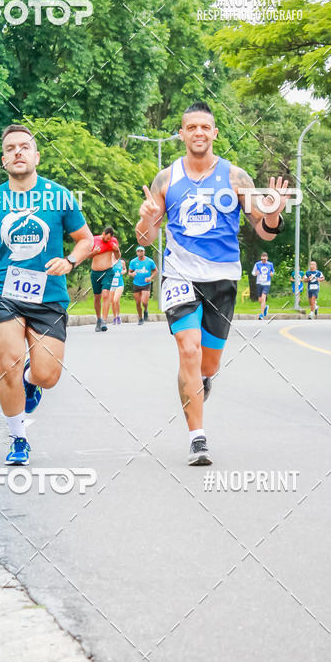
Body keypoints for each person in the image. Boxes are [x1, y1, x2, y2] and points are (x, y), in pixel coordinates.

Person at [135, 101, 289, 466]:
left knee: (207, 366)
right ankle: (197, 438)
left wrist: (275, 212)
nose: (199, 133)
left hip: (222, 276)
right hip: (179, 273)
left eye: (206, 127)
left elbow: (262, 232)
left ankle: (200, 383)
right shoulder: (166, 179)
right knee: (188, 350)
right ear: (182, 133)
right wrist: (146, 221)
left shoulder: (236, 177)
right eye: (192, 127)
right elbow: (144, 239)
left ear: (215, 133)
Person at [0, 124, 93, 465]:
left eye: (24, 147)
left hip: (49, 295)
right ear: (3, 160)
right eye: (11, 148)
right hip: (4, 292)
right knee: (9, 365)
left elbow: (86, 240)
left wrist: (70, 260)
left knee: (47, 375)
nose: (18, 152)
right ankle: (18, 438)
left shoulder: (59, 196)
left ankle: (32, 381)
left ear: (36, 155)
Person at [89, 226, 120, 331]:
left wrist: (117, 250)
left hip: (107, 272)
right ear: (103, 233)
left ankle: (104, 321)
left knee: (106, 294)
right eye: (106, 238)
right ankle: (98, 319)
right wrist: (94, 253)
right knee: (97, 297)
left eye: (109, 239)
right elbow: (86, 256)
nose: (108, 240)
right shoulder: (93, 240)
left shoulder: (113, 242)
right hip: (95, 273)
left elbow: (117, 257)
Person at [128, 246, 158, 324]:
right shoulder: (133, 262)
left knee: (144, 301)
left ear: (144, 252)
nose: (140, 252)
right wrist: (132, 274)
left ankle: (146, 310)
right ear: (136, 252)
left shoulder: (149, 261)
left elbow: (155, 271)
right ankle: (140, 318)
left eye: (142, 251)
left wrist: (150, 277)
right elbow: (129, 272)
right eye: (138, 251)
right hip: (136, 284)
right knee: (138, 302)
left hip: (146, 284)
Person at [251, 253, 274, 319]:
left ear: (267, 258)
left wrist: (272, 273)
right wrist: (255, 273)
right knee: (260, 300)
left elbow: (273, 271)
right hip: (259, 283)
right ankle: (265, 307)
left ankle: (261, 314)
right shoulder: (257, 264)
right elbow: (253, 272)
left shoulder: (270, 264)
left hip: (267, 283)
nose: (263, 260)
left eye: (264, 259)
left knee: (263, 298)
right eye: (262, 259)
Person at [110, 257, 126, 325]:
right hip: (111, 284)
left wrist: (123, 272)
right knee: (112, 302)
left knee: (115, 300)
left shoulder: (121, 262)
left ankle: (118, 315)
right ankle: (114, 317)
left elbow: (125, 269)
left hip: (119, 284)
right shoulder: (109, 262)